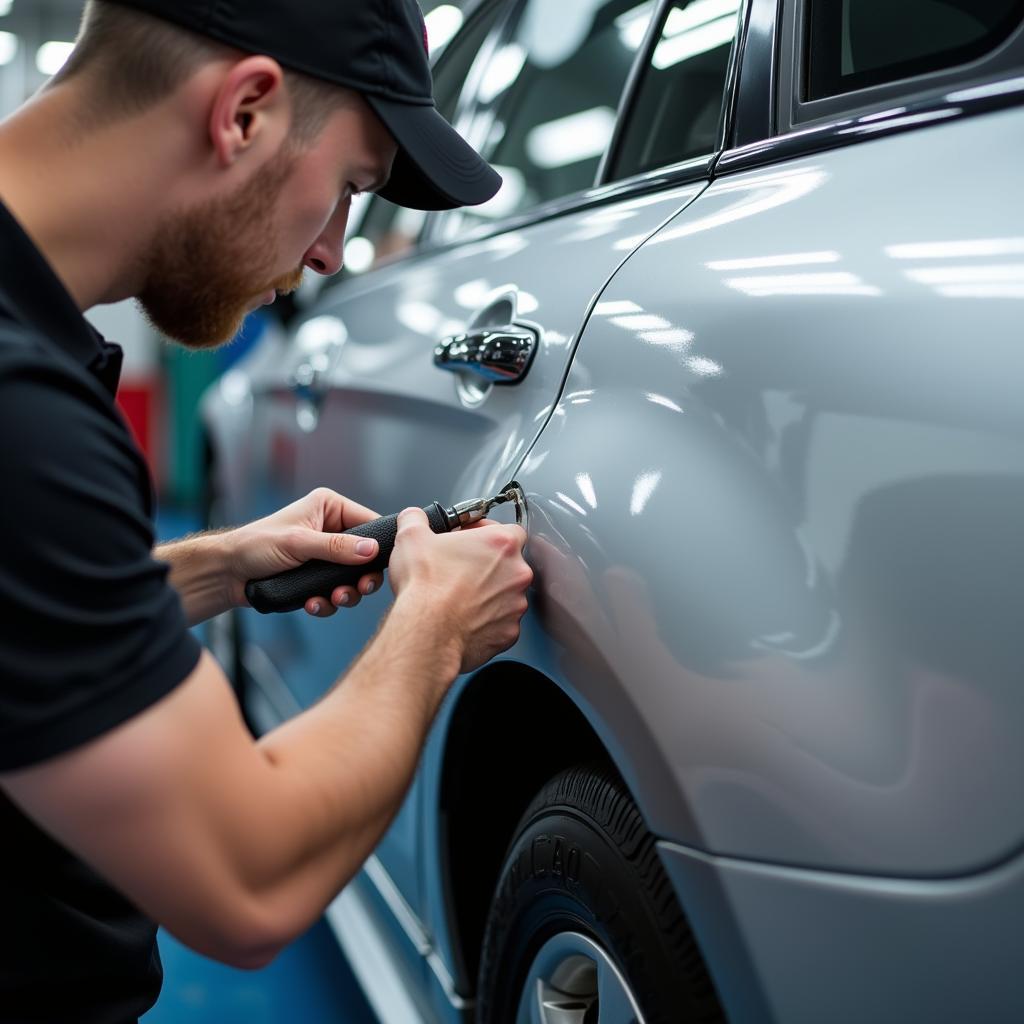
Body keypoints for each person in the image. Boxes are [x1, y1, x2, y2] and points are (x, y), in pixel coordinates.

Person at [0, 1, 533, 1019]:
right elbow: (245, 878)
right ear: (244, 112)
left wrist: (219, 565)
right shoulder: (23, 415)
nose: (334, 251)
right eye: (349, 188)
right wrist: (432, 628)